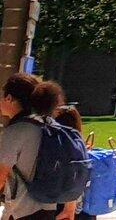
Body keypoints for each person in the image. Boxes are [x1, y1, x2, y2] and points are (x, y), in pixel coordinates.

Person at [0, 75, 71, 220]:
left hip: (21, 211)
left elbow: (1, 174)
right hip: (48, 208)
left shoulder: (16, 131)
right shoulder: (50, 126)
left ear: (9, 98)